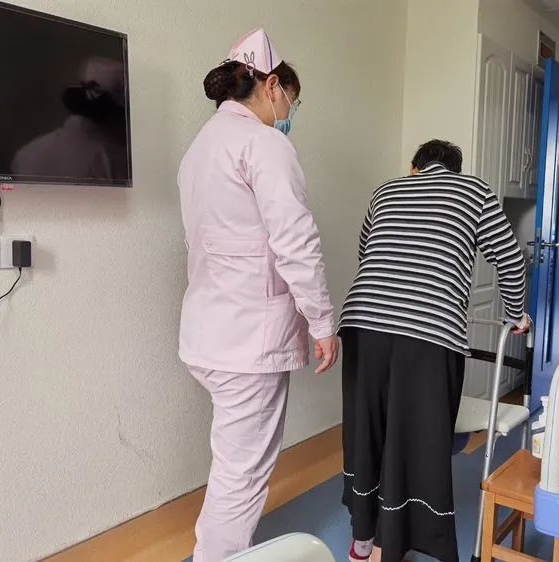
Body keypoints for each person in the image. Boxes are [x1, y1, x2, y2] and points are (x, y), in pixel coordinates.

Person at [178, 29, 339, 562]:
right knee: (241, 478)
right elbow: (296, 240)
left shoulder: (199, 148)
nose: (289, 113)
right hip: (249, 340)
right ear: (271, 86)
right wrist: (322, 323)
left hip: (208, 333)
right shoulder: (264, 144)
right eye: (291, 100)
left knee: (232, 466)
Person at [338, 140, 529, 562]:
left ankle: (363, 539)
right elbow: (511, 260)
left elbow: (367, 251)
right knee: (414, 437)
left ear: (415, 168)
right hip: (428, 330)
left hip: (362, 322)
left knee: (367, 431)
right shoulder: (474, 190)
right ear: (454, 172)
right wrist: (516, 314)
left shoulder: (386, 190)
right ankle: (390, 544)